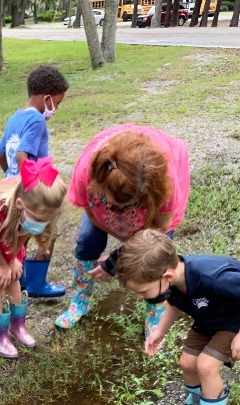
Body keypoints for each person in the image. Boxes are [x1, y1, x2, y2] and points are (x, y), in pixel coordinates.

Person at [117, 230, 240, 405]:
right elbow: (175, 301)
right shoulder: (174, 280)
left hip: (236, 319)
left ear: (166, 277)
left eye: (142, 292)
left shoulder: (214, 277)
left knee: (205, 365)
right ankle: (201, 402)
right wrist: (160, 330)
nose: (140, 297)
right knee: (188, 362)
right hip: (209, 315)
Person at [55, 124, 190, 337]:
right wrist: (122, 248)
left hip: (152, 212)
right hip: (108, 182)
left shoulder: (165, 182)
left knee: (157, 258)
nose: (120, 211)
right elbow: (90, 213)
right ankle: (80, 301)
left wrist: (119, 256)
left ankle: (155, 317)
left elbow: (160, 228)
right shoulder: (88, 171)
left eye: (128, 205)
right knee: (87, 240)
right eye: (115, 203)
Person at [0, 157, 68, 359]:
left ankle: (17, 326)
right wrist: (1, 265)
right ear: (19, 204)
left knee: (15, 276)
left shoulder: (32, 210)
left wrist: (12, 260)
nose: (42, 224)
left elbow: (24, 233)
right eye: (40, 219)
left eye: (46, 221)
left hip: (13, 233)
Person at [0, 65, 69, 300]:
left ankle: (23, 277)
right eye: (56, 103)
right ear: (46, 97)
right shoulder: (37, 120)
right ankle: (37, 284)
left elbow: (0, 154)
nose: (55, 108)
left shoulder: (15, 118)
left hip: (14, 190)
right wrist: (30, 186)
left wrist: (12, 179)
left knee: (21, 233)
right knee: (48, 232)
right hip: (33, 191)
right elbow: (21, 155)